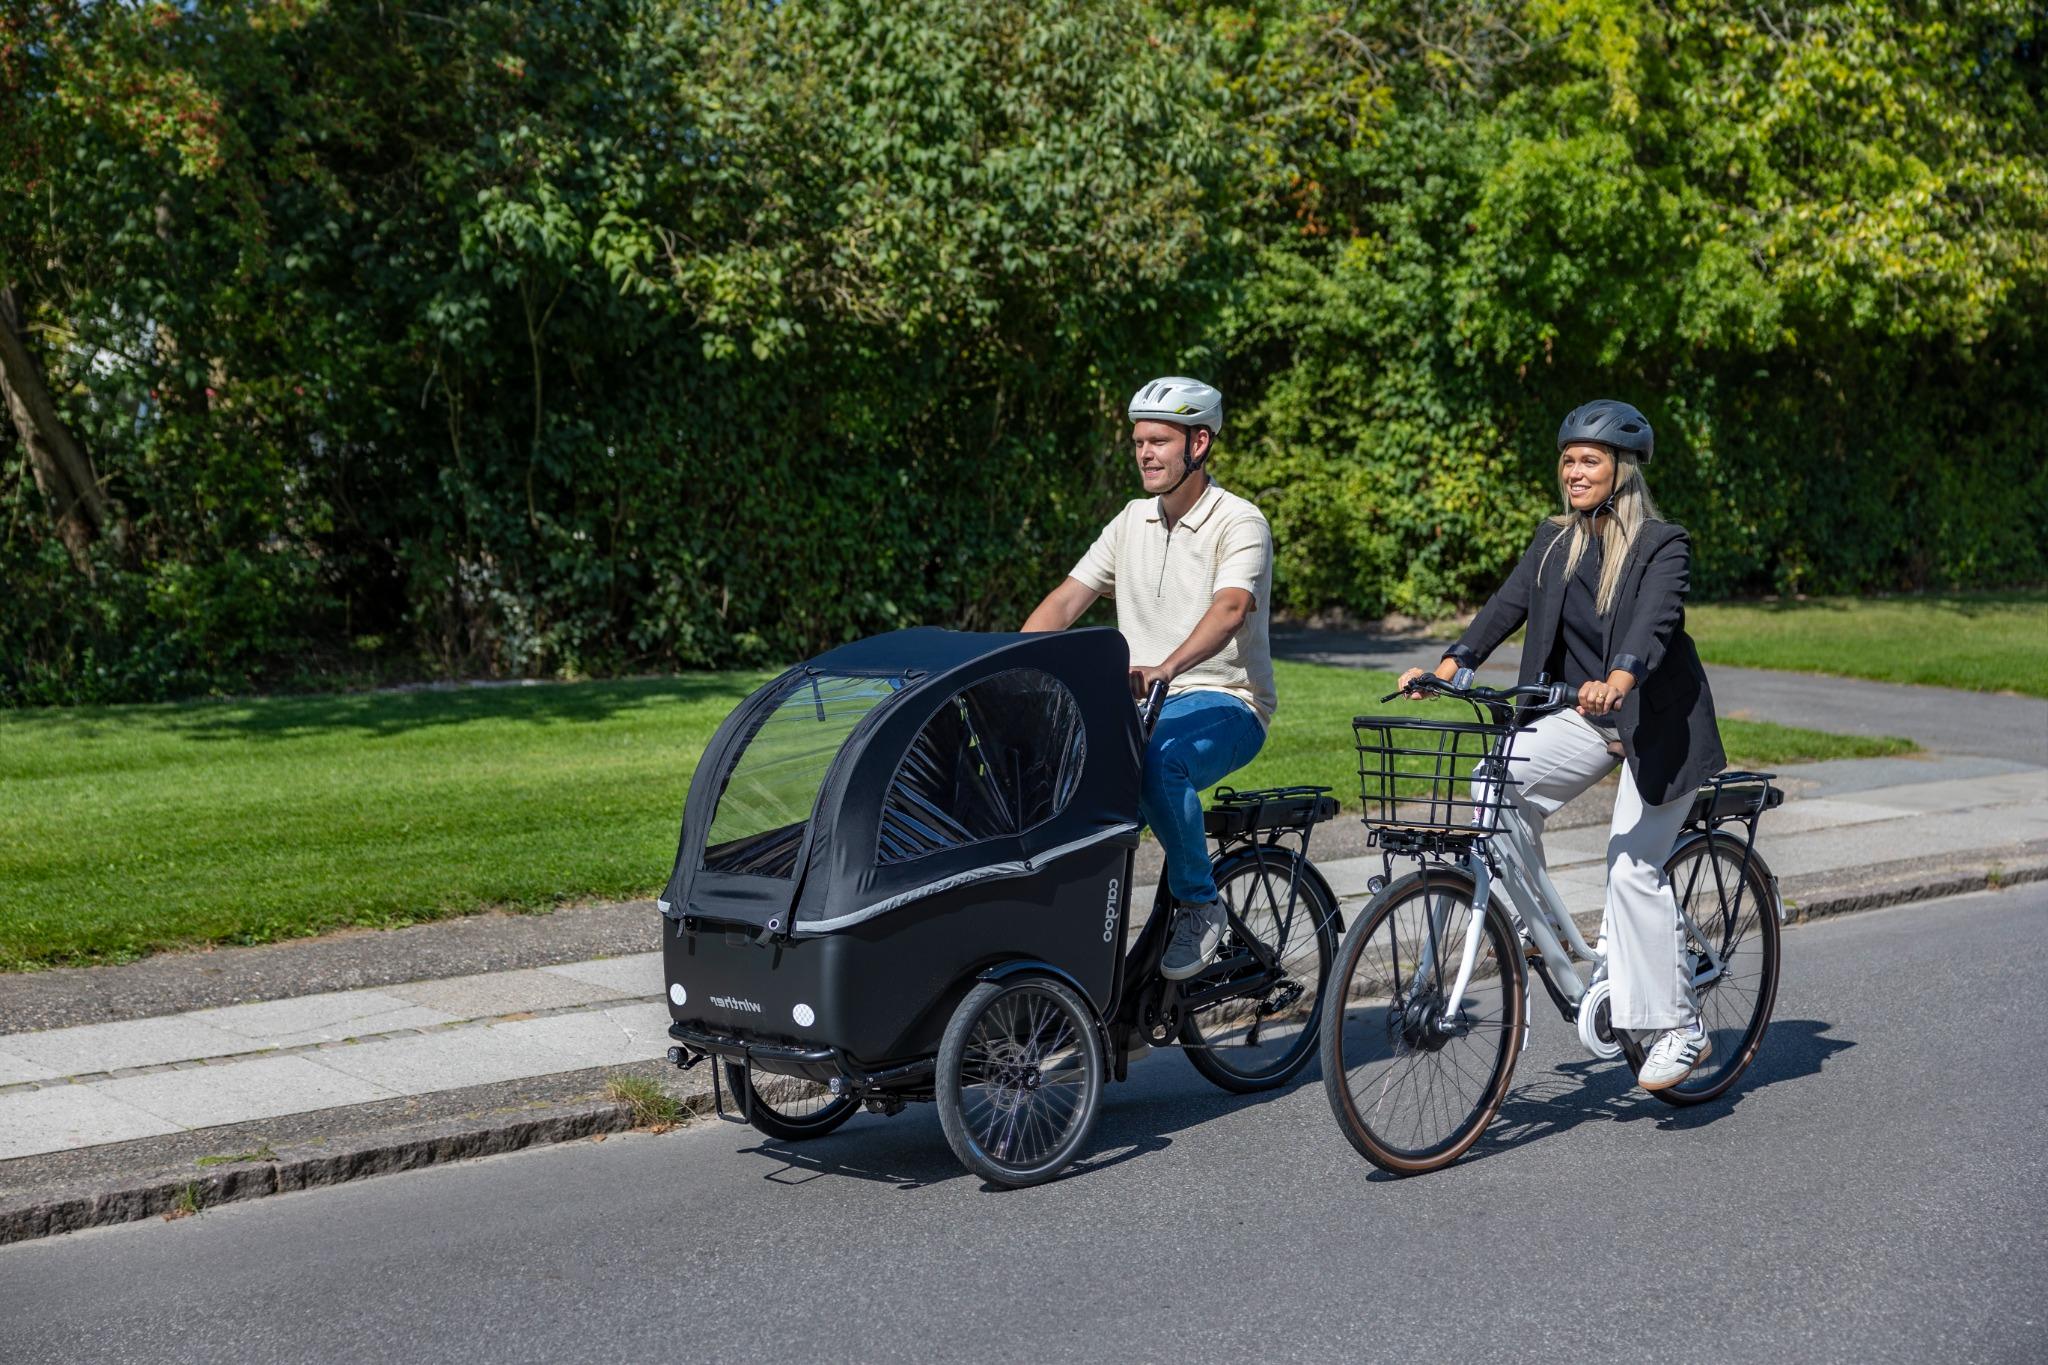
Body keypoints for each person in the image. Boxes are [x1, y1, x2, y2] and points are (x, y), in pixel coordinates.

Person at [1398, 399, 1728, 1091]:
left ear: (1623, 470)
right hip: (1583, 717)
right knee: (1493, 783)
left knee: (1631, 868)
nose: (1575, 472)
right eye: (1569, 460)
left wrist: (1619, 675)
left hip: (1653, 720)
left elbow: (1656, 620)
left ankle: (1679, 1026)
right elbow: (1502, 609)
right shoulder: (1555, 541)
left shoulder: (1661, 542)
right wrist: (1451, 666)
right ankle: (1538, 927)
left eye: (1590, 461)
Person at [1022, 376, 1277, 981]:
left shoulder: (1239, 522)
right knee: (1066, 802)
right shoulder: (1130, 521)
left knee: (1158, 761)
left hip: (1225, 701)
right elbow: (1064, 602)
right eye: (1139, 441)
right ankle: (1104, 982)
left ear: (1200, 443)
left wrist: (1166, 667)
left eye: (1160, 440)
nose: (1145, 453)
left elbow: (1231, 608)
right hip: (1137, 704)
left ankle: (1199, 901)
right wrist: (1008, 662)